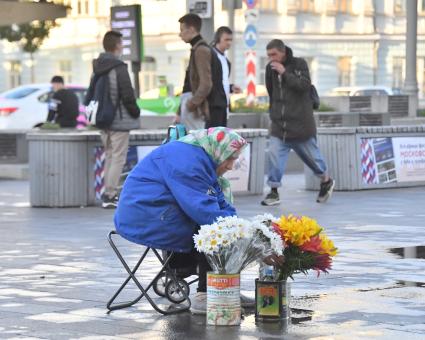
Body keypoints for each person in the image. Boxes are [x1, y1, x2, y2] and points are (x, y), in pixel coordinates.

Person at [114, 127, 254, 314]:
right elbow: (202, 209)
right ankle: (206, 294)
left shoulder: (202, 156)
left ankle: (225, 287)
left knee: (223, 227)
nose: (230, 166)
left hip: (157, 209)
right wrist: (235, 228)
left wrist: (238, 225)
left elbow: (217, 199)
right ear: (218, 150)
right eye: (229, 158)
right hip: (145, 217)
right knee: (212, 231)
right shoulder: (189, 161)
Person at [261, 39, 335, 206]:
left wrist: (284, 73)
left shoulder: (299, 64)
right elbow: (271, 92)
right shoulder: (269, 69)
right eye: (269, 55)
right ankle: (273, 191)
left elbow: (304, 85)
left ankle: (326, 179)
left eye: (274, 54)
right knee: (274, 157)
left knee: (313, 159)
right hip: (280, 126)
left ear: (283, 52)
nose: (271, 58)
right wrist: (274, 113)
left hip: (301, 124)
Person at [85, 31, 140, 209]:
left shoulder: (98, 68)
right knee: (118, 157)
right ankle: (110, 194)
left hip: (103, 120)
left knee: (109, 155)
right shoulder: (119, 67)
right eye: (121, 44)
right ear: (117, 46)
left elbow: (90, 94)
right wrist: (135, 111)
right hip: (119, 120)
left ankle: (107, 193)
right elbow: (128, 95)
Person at [174, 13, 227, 130]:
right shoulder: (200, 49)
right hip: (214, 106)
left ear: (192, 29)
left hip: (211, 108)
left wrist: (190, 104)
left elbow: (206, 84)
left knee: (202, 145)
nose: (180, 34)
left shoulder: (201, 50)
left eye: (182, 30)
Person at [211, 26, 242, 126]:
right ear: (218, 39)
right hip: (213, 106)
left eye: (231, 40)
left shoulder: (226, 60)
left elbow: (221, 83)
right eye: (226, 39)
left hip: (224, 106)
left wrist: (231, 87)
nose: (229, 42)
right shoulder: (211, 56)